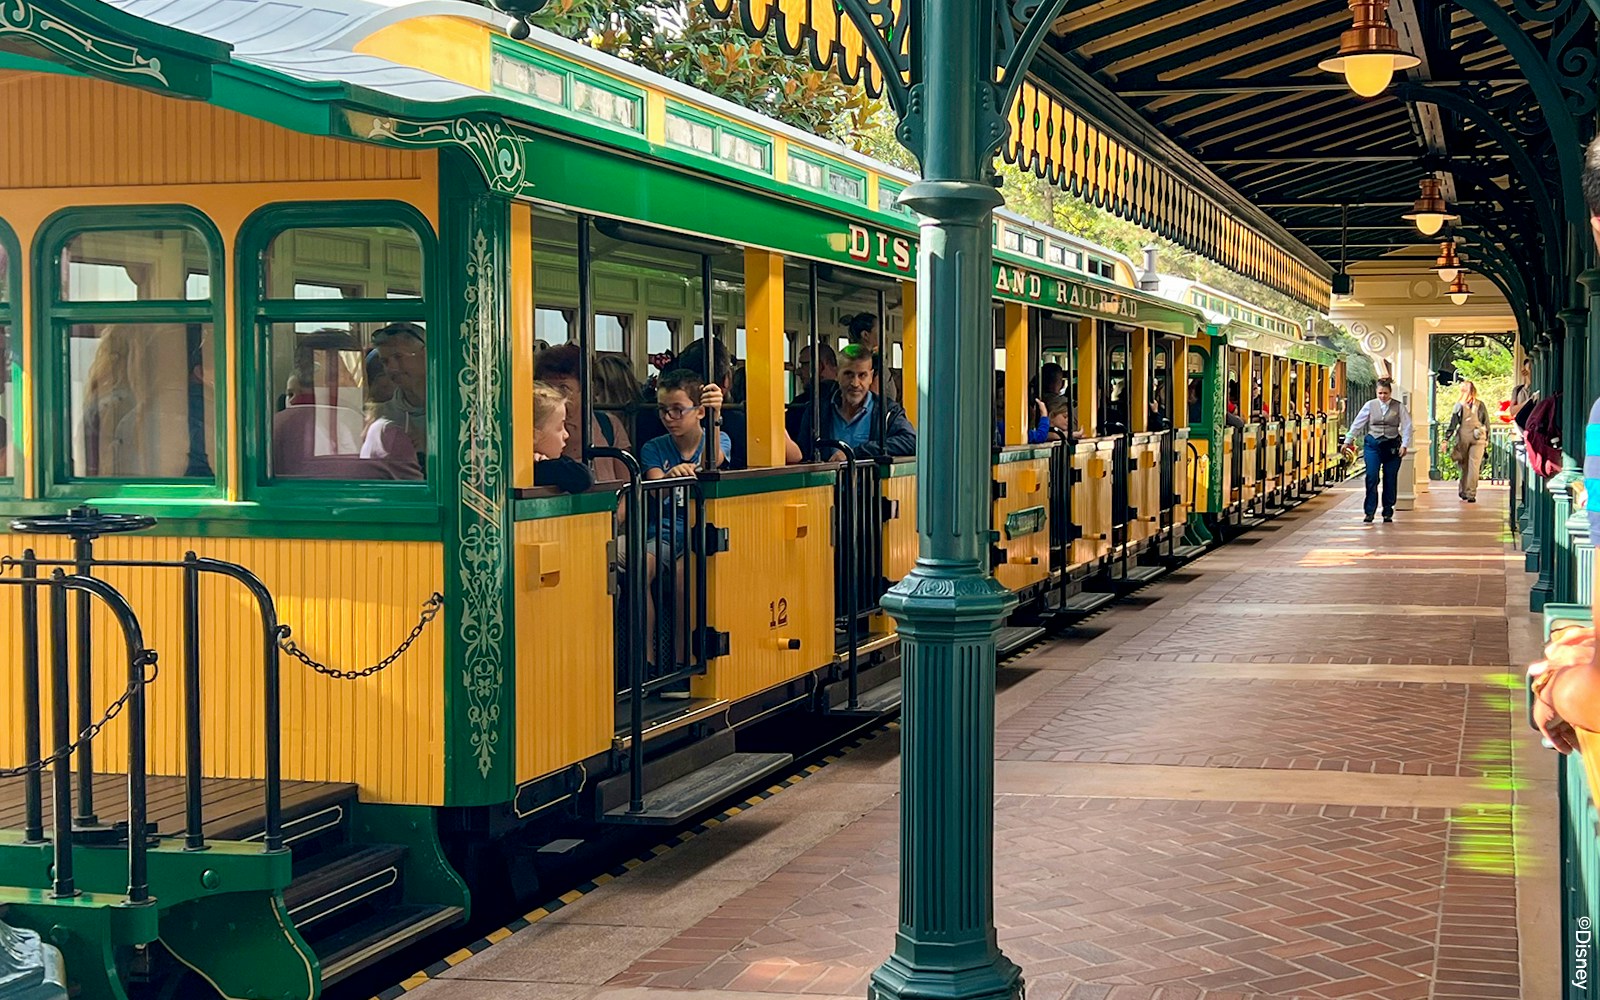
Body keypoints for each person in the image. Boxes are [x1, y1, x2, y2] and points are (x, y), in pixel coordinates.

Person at [640, 369, 729, 692]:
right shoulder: (654, 447)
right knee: (639, 568)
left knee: (682, 580)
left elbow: (715, 460)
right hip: (663, 535)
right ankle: (645, 662)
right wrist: (670, 479)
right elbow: (652, 484)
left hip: (696, 535)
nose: (669, 417)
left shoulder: (717, 439)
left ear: (699, 412)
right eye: (663, 410)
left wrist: (717, 415)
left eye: (678, 409)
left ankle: (680, 662)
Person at [789, 343, 916, 462]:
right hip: (828, 485)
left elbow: (911, 441)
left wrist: (855, 453)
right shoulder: (816, 411)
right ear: (837, 374)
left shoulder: (888, 411)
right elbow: (804, 453)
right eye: (848, 374)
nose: (855, 383)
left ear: (871, 377)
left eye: (862, 375)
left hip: (871, 485)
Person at [534, 343, 633, 483]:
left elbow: (626, 486)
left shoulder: (608, 425)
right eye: (549, 387)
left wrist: (616, 506)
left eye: (564, 387)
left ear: (586, 389)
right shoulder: (536, 426)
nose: (556, 395)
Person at [1342, 377, 1413, 523]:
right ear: (1376, 392)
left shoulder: (1398, 406)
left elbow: (1407, 426)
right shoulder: (1370, 405)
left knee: (1390, 478)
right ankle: (1369, 511)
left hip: (1392, 446)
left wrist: (1404, 445)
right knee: (1372, 476)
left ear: (1390, 392)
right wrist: (1348, 440)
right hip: (1373, 445)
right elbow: (1358, 423)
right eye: (1380, 393)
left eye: (1385, 393)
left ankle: (1388, 510)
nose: (1383, 396)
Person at [373, 322, 428, 471]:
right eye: (385, 361)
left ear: (426, 354)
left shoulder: (455, 407)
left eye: (398, 357)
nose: (391, 368)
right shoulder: (382, 416)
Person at [532, 381, 593, 494]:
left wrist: (546, 463)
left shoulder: (551, 465)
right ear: (534, 435)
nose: (566, 434)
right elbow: (583, 479)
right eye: (560, 427)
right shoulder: (537, 471)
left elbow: (583, 476)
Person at [1445, 379, 1489, 503]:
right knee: (1470, 465)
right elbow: (1486, 422)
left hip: (1467, 435)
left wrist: (1446, 438)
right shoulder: (1480, 405)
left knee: (1468, 465)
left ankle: (1467, 492)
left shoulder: (1459, 405)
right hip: (1478, 435)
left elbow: (1453, 423)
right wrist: (1487, 439)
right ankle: (1468, 492)